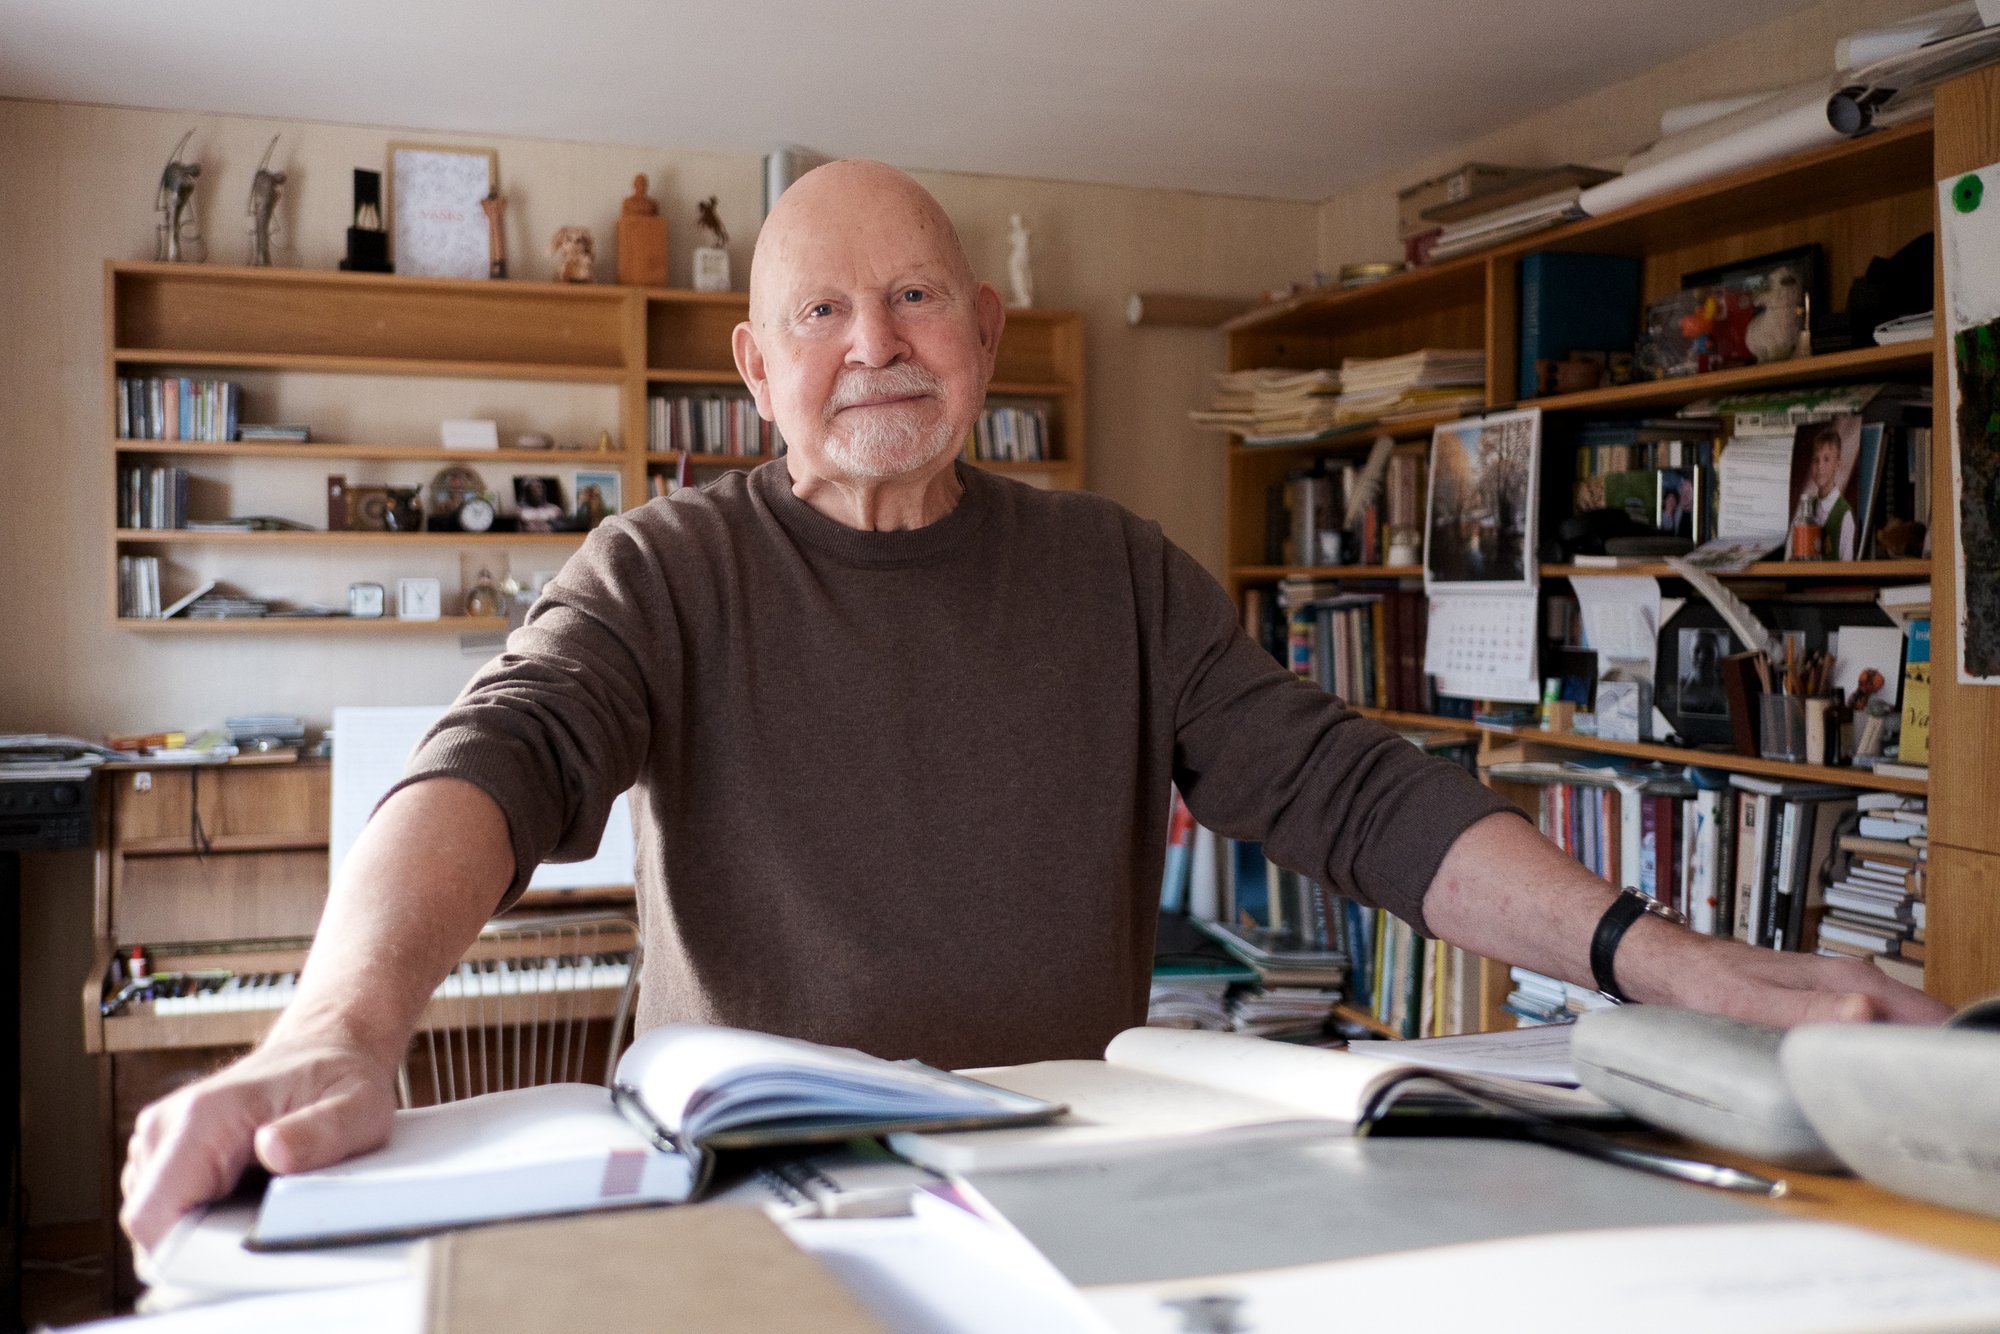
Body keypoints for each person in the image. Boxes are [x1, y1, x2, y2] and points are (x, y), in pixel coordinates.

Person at [118, 160, 1947, 1257]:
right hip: (754, 1205)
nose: (874, 342)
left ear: (983, 334)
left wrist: (1664, 959)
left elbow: (1349, 791)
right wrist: (337, 1026)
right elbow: (498, 755)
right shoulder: (660, 566)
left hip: (1072, 1195)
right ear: (755, 369)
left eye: (915, 295)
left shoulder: (1116, 568)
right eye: (821, 312)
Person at [1797, 423, 1857, 561]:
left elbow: (1847, 565)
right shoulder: (1807, 510)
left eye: (1826, 459)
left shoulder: (1844, 514)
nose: (1820, 466)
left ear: (1837, 465)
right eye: (1815, 460)